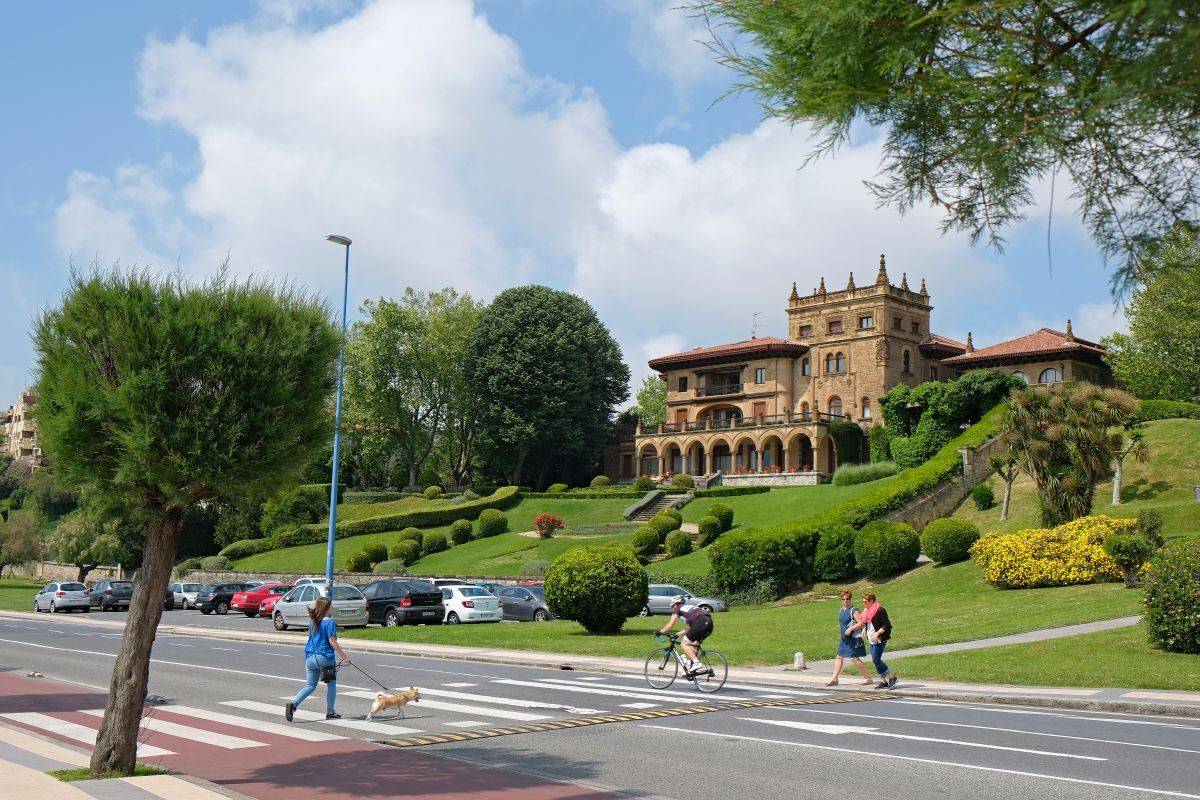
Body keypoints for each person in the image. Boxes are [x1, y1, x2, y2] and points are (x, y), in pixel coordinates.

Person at [285, 595, 351, 721]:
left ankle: (293, 705)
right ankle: (330, 712)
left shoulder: (313, 621)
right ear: (326, 607)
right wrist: (344, 657)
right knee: (331, 685)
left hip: (310, 657)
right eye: (331, 605)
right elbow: (332, 641)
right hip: (324, 657)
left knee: (310, 686)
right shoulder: (330, 622)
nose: (333, 607)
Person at [846, 591, 897, 689]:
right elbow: (867, 622)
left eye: (865, 602)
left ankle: (892, 677)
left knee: (876, 660)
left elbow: (887, 625)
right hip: (871, 638)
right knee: (875, 660)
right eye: (863, 601)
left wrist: (877, 634)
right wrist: (865, 629)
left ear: (871, 601)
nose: (863, 604)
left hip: (879, 638)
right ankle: (883, 681)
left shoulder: (880, 610)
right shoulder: (867, 611)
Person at [827, 590, 872, 687]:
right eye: (843, 599)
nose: (845, 600)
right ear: (841, 600)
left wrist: (851, 628)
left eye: (847, 598)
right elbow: (842, 624)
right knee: (839, 657)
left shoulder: (854, 610)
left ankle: (868, 677)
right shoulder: (841, 610)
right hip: (844, 639)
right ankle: (835, 678)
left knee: (854, 659)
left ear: (850, 599)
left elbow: (861, 623)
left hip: (853, 639)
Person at [658, 595, 712, 674]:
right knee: (692, 645)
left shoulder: (677, 607)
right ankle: (691, 667)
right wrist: (677, 634)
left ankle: (697, 664)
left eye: (672, 607)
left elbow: (672, 623)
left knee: (684, 644)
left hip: (700, 622)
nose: (672, 609)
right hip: (709, 623)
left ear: (675, 604)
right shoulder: (689, 609)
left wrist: (661, 631)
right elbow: (689, 628)